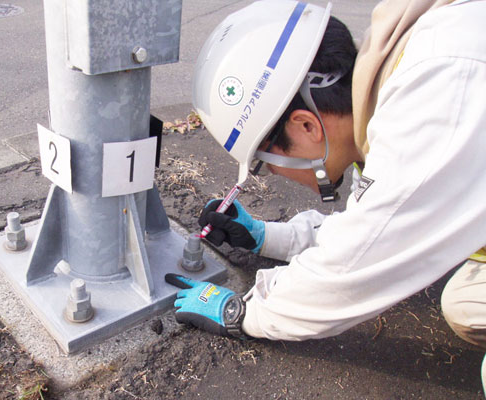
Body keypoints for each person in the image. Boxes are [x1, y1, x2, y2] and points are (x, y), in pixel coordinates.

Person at [167, 0, 486, 390]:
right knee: (467, 305)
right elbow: (372, 219)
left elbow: (349, 270)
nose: (274, 175)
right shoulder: (394, 84)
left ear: (304, 125)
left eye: (264, 163)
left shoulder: (437, 99)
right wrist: (267, 236)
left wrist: (239, 311)